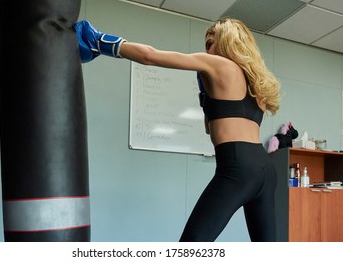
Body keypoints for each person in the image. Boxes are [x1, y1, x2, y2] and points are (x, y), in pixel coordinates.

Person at [73, 18, 281, 242]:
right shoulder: (256, 86)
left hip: (237, 167)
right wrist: (206, 96)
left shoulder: (217, 64)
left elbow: (149, 56)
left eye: (211, 43)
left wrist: (101, 42)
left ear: (229, 41)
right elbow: (211, 129)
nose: (207, 50)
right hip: (266, 170)